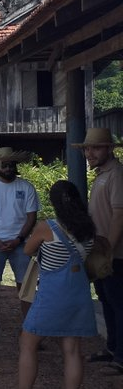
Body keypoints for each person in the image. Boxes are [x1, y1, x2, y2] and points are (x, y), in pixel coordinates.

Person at [18, 180, 98, 389]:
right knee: (72, 350)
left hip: (52, 294)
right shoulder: (88, 228)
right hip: (78, 294)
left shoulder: (47, 227)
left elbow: (27, 250)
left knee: (28, 343)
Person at [0, 147, 39, 344]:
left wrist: (18, 239)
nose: (8, 168)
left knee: (25, 288)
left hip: (21, 244)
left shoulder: (26, 187)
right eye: (4, 165)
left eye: (11, 164)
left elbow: (32, 217)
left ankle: (29, 329)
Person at [75, 128, 123, 372]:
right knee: (106, 300)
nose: (89, 153)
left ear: (110, 149)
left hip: (115, 254)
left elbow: (119, 215)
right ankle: (112, 348)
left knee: (118, 303)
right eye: (86, 148)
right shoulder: (102, 174)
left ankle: (121, 358)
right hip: (102, 252)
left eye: (95, 148)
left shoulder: (117, 174)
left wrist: (108, 252)